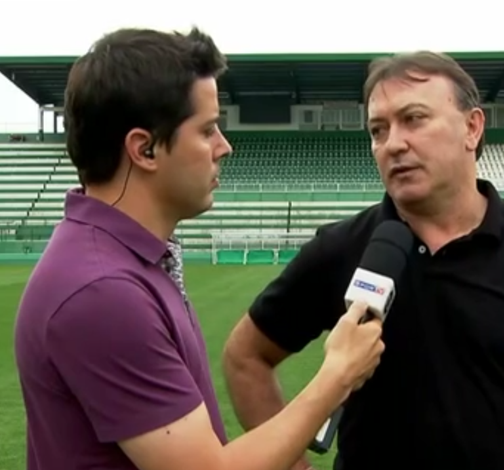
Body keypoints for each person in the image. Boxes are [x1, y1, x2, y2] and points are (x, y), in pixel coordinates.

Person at [222, 51, 504, 470]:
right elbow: (245, 357)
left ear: (472, 127)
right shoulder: (340, 248)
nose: (393, 143)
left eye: (414, 119)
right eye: (378, 130)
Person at [13, 27, 386, 470]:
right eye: (207, 130)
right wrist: (336, 375)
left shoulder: (127, 260)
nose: (224, 147)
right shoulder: (102, 291)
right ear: (145, 149)